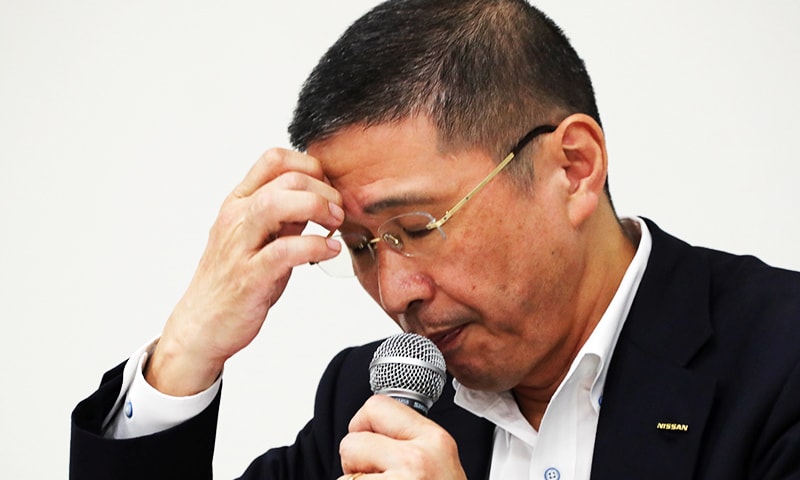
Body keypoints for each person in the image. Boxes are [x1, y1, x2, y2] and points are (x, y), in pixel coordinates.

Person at [70, 0, 800, 479]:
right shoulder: (374, 404)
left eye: (417, 228)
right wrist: (186, 352)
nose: (395, 294)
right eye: (361, 246)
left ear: (573, 168)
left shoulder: (779, 363)